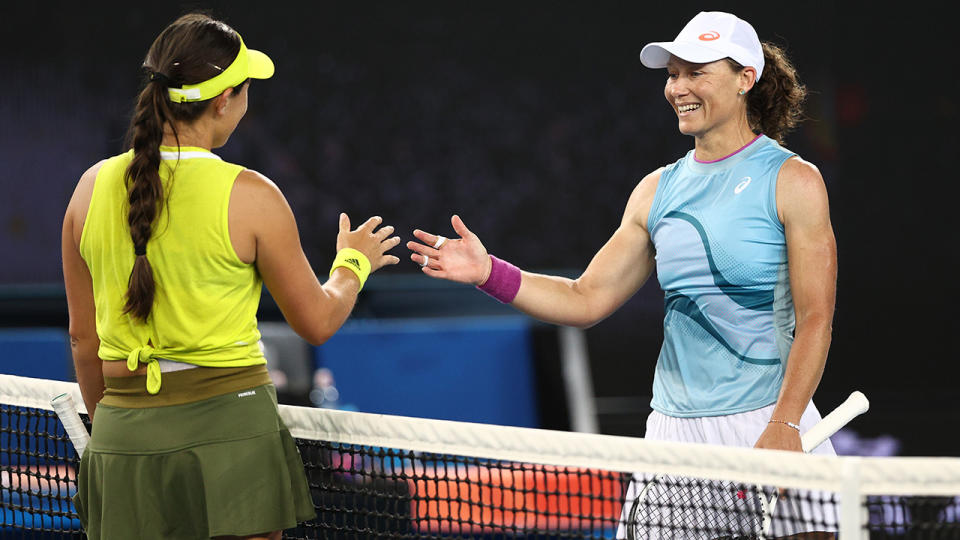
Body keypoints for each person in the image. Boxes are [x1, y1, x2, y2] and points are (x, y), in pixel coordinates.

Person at [407, 11, 836, 538]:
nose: (678, 87)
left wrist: (786, 422)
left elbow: (816, 319)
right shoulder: (657, 191)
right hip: (676, 437)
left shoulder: (794, 181)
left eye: (695, 72)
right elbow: (585, 298)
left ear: (746, 77)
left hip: (770, 416)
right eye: (673, 74)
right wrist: (488, 272)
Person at [61, 13, 400, 540]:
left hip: (122, 438)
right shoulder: (253, 195)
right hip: (233, 435)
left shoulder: (88, 187)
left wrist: (115, 430)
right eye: (245, 89)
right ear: (224, 100)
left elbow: (84, 340)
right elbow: (316, 322)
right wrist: (352, 265)